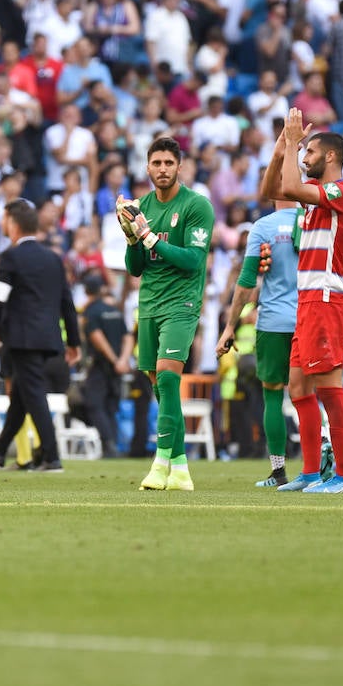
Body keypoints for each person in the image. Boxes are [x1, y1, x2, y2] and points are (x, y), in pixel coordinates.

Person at [261, 109, 343, 493]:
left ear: (331, 156)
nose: (304, 158)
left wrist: (292, 143)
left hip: (326, 297)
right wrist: (281, 149)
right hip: (307, 300)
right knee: (298, 388)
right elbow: (272, 190)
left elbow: (289, 188)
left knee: (329, 388)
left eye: (311, 152)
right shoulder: (316, 198)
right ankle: (311, 472)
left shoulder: (342, 192)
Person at [114, 135, 213, 491]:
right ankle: (181, 469)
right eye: (156, 163)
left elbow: (194, 260)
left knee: (170, 379)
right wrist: (132, 239)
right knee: (161, 388)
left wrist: (150, 237)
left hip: (181, 303)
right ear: (147, 168)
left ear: (179, 167)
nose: (163, 169)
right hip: (149, 304)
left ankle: (159, 465)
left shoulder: (197, 206)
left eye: (169, 163)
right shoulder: (141, 206)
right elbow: (135, 268)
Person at [0, 197, 79, 475]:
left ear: (13, 223)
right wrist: (74, 341)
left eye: (4, 218)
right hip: (48, 337)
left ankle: (52, 457)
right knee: (22, 396)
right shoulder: (54, 258)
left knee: (33, 394)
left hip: (21, 337)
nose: (2, 223)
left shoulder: (10, 257)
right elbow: (67, 302)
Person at [218, 197, 301, 487]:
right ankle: (321, 466)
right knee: (312, 395)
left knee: (273, 395)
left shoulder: (263, 227)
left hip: (274, 321)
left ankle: (279, 472)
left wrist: (230, 325)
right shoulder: (315, 220)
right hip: (309, 317)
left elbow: (246, 282)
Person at [81, 273, 131, 459]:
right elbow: (127, 338)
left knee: (94, 404)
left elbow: (97, 337)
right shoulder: (114, 311)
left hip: (101, 365)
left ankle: (108, 445)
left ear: (86, 291)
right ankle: (113, 447)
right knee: (110, 407)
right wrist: (123, 360)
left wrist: (114, 360)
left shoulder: (91, 311)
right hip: (117, 368)